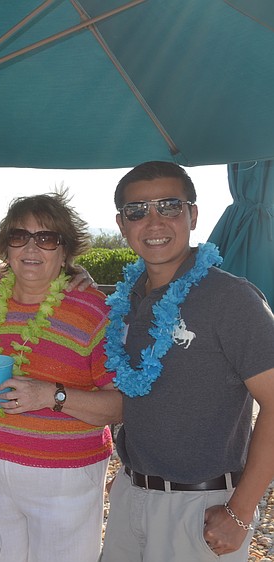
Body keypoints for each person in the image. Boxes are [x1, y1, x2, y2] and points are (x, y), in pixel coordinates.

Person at [100, 161, 274, 561]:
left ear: (193, 215)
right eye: (137, 211)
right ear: (122, 224)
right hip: (130, 494)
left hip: (202, 508)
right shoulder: (127, 300)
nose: (154, 221)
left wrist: (241, 511)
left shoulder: (231, 299)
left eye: (170, 206)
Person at [0, 191, 121, 562]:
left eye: (46, 238)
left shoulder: (94, 311)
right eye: (19, 236)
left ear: (65, 250)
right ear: (6, 247)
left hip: (65, 479)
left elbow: (120, 405)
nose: (30, 247)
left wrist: (50, 395)